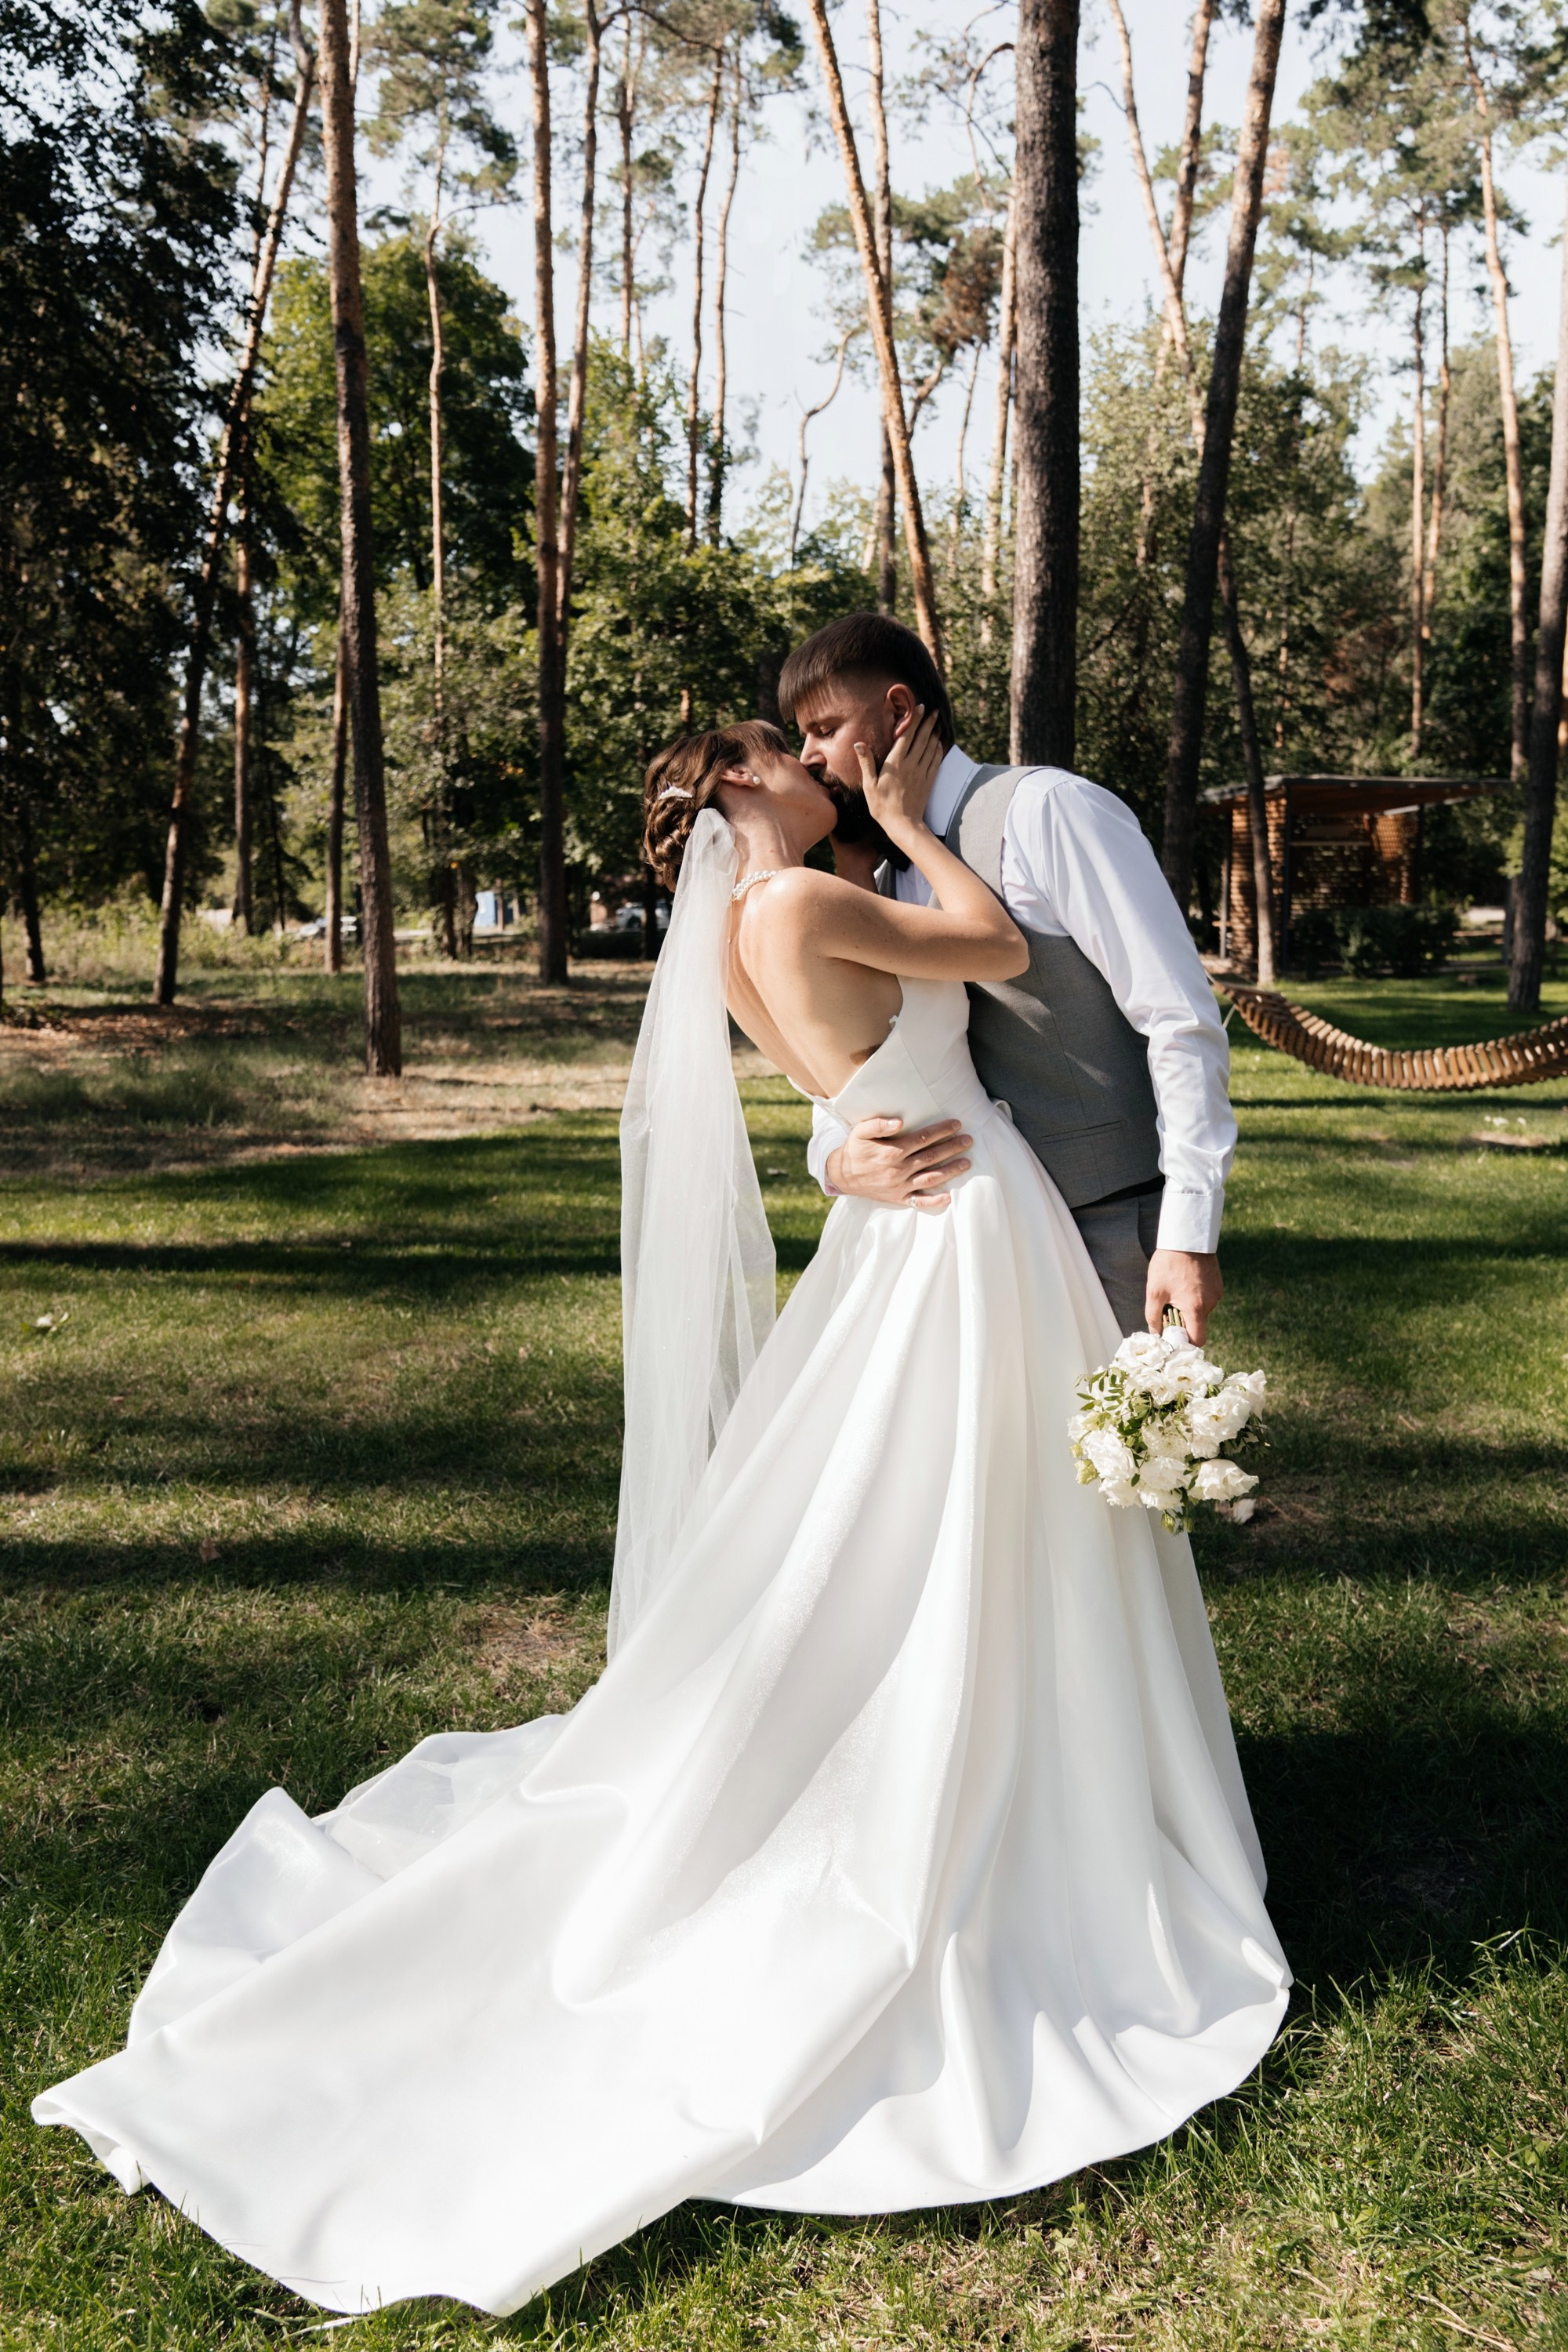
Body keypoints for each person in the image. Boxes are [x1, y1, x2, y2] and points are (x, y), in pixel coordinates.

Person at [34, 713, 1287, 2321]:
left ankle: (1002, 1741)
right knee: (949, 1528)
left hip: (910, 1224)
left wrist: (843, 1151)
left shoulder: (730, 944)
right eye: (779, 755)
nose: (812, 766)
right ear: (732, 798)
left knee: (910, 1532)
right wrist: (910, 823)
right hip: (961, 1226)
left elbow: (831, 1102)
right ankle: (1001, 1777)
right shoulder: (814, 899)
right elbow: (976, 946)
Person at [778, 612, 1234, 1342]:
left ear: (897, 711)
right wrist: (834, 1164)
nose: (806, 758)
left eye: (824, 729)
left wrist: (1187, 1232)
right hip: (971, 1244)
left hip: (1111, 1228)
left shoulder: (1047, 810)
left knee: (1132, 1454)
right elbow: (847, 1066)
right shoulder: (879, 878)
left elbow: (1178, 1016)